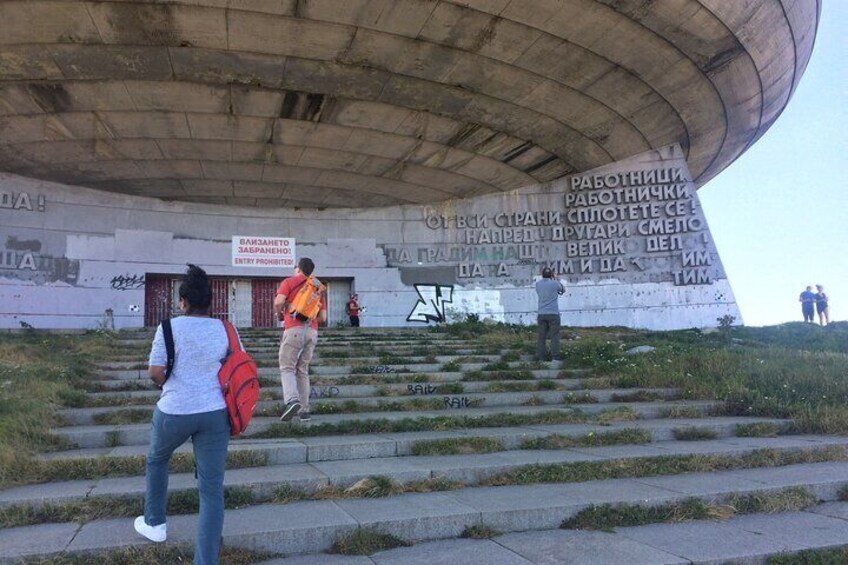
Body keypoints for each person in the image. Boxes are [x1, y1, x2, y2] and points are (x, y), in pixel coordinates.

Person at [135, 264, 236, 565]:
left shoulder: (168, 327)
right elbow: (238, 366)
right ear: (211, 302)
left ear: (183, 302)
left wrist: (168, 383)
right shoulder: (226, 329)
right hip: (215, 414)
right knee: (211, 490)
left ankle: (155, 522)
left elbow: (155, 372)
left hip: (174, 412)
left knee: (157, 458)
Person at [273, 257, 326, 423]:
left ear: (299, 269)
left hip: (294, 330)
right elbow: (323, 318)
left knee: (287, 367)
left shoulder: (289, 282)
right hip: (312, 332)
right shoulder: (317, 288)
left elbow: (279, 301)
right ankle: (304, 411)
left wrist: (279, 313)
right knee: (302, 369)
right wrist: (308, 321)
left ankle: (292, 401)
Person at [535, 266, 565, 361]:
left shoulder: (538, 284)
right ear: (551, 274)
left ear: (542, 275)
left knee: (541, 337)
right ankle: (555, 357)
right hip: (553, 313)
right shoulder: (555, 283)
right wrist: (556, 279)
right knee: (554, 336)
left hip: (541, 313)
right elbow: (563, 290)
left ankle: (541, 357)